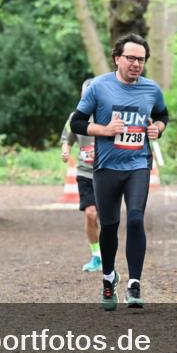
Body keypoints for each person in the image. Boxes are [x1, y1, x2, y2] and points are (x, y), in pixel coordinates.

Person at [70, 34, 169, 310]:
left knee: (136, 219)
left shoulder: (151, 89)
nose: (136, 64)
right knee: (110, 226)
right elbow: (76, 123)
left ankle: (134, 283)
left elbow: (163, 115)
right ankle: (109, 276)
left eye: (141, 59)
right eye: (131, 58)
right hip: (106, 168)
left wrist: (157, 129)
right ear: (117, 58)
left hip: (138, 164)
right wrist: (104, 130)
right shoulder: (99, 87)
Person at [60, 79, 100, 272]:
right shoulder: (75, 117)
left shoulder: (108, 115)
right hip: (85, 173)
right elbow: (67, 139)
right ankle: (96, 255)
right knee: (91, 214)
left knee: (107, 219)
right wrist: (65, 150)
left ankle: (107, 253)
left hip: (107, 174)